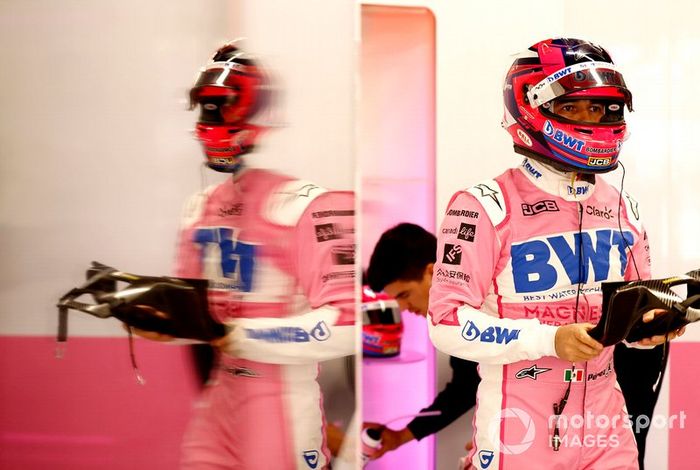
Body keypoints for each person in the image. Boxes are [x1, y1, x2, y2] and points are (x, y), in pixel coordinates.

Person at [427, 37, 684, 469]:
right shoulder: (483, 205)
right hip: (518, 425)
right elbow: (446, 324)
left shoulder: (624, 207)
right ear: (530, 109)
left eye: (602, 108)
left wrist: (646, 333)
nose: (593, 120)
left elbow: (627, 317)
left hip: (608, 425)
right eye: (574, 108)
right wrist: (548, 340)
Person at [134, 42, 355, 469]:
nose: (208, 121)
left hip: (279, 401)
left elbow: (347, 323)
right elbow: (197, 316)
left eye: (219, 107)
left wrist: (238, 334)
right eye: (204, 108)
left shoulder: (308, 205)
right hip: (220, 399)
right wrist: (153, 317)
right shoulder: (199, 208)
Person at [363, 222, 480, 459]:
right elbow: (465, 387)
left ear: (432, 272)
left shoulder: (491, 297)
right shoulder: (454, 315)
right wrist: (400, 437)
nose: (404, 308)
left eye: (404, 295)